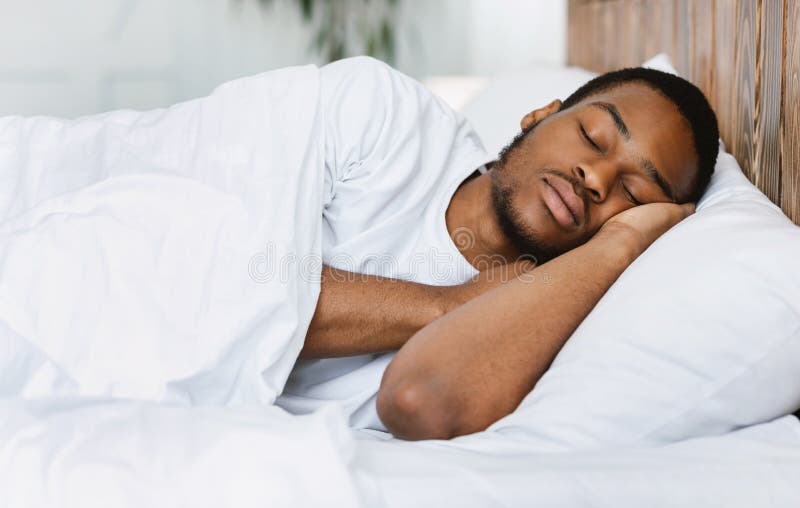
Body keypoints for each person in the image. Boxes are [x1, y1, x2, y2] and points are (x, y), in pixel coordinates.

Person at [275, 56, 719, 440]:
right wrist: (450, 304)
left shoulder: (563, 311)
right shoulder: (385, 116)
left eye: (635, 194)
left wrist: (619, 246)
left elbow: (421, 401)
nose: (596, 178)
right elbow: (232, 283)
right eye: (592, 137)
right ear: (540, 114)